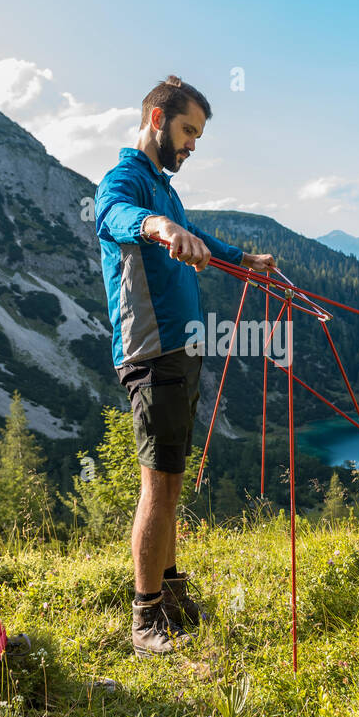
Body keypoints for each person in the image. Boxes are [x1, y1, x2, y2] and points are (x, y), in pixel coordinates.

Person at [94, 75, 276, 657]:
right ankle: (145, 618)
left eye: (197, 133)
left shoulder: (163, 186)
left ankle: (171, 594)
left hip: (182, 348)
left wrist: (239, 258)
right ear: (156, 118)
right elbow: (115, 215)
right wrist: (158, 226)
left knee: (171, 480)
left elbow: (191, 234)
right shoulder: (126, 180)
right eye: (188, 130)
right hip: (151, 352)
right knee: (157, 482)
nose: (192, 144)